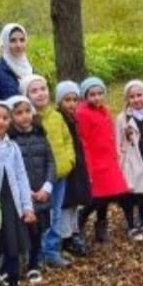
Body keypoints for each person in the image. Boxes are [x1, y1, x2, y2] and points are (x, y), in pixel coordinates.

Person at [0, 99, 35, 286]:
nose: (1, 122)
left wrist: (27, 206)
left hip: (11, 201)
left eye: (5, 118)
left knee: (13, 241)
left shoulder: (12, 147)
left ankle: (13, 279)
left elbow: (21, 176)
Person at [22, 74, 74, 269]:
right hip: (38, 179)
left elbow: (67, 140)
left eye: (43, 89)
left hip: (59, 175)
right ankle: (36, 254)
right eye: (34, 91)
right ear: (26, 95)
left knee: (55, 213)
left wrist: (69, 161)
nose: (40, 93)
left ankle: (52, 250)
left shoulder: (56, 116)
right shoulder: (28, 119)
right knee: (39, 215)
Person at [7, 94, 56, 281]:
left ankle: (34, 263)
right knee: (23, 230)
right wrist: (24, 191)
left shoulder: (40, 134)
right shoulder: (10, 140)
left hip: (41, 191)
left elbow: (50, 161)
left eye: (27, 111)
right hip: (22, 195)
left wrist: (47, 187)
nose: (24, 116)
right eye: (19, 113)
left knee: (38, 230)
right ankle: (16, 264)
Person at [75, 77, 129, 244]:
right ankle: (81, 217)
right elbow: (83, 140)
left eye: (99, 93)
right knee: (98, 196)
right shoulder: (82, 113)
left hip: (108, 159)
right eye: (92, 94)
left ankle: (101, 228)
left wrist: (115, 152)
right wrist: (88, 165)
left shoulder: (104, 110)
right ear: (85, 96)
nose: (97, 97)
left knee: (107, 194)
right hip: (95, 161)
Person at [116, 79, 143, 240]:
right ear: (127, 99)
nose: (136, 99)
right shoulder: (122, 118)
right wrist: (120, 162)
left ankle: (142, 222)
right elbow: (118, 141)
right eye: (132, 96)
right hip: (130, 160)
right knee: (130, 194)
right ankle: (131, 225)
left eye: (139, 95)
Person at [55, 81, 91, 257]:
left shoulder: (74, 119)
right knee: (66, 202)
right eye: (67, 100)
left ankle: (73, 231)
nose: (71, 104)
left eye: (74, 100)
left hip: (77, 164)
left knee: (75, 201)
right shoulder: (59, 119)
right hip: (66, 166)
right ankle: (65, 237)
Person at [0, 23, 33, 101]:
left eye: (22, 40)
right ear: (5, 42)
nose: (18, 45)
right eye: (13, 40)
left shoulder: (31, 70)